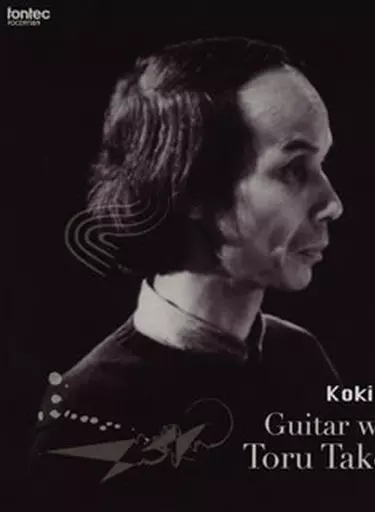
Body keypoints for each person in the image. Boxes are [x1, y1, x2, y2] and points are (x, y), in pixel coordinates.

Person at [27, 37, 344, 510]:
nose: (333, 204)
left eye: (322, 163)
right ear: (193, 185)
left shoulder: (300, 359)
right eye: (294, 168)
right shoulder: (86, 416)